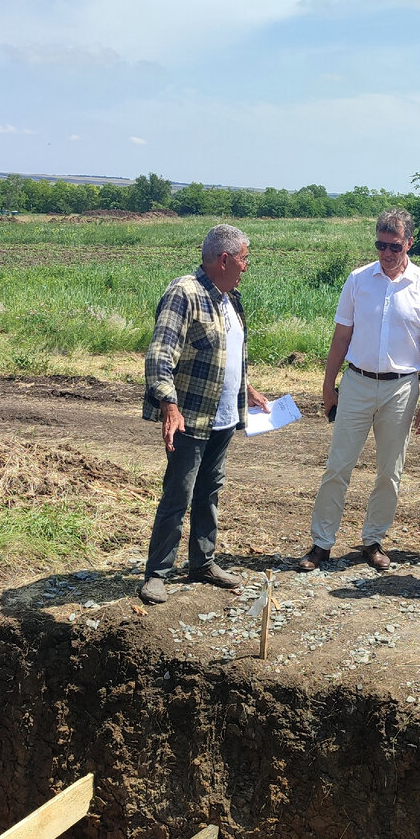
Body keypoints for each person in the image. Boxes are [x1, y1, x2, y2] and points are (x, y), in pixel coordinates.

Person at [298, 208, 420, 573]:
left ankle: (373, 540)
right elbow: (341, 337)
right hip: (357, 382)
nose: (386, 253)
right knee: (337, 466)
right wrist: (328, 386)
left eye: (393, 246)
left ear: (409, 243)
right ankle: (321, 544)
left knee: (389, 471)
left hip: (401, 389)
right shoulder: (358, 280)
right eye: (380, 245)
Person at [139, 224, 267, 605]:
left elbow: (225, 355)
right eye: (244, 258)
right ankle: (157, 574)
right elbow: (160, 354)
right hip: (190, 417)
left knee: (209, 491)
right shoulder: (185, 293)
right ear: (224, 259)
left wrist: (247, 389)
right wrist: (169, 405)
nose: (247, 266)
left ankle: (202, 563)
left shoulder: (231, 300)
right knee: (179, 493)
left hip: (224, 417)